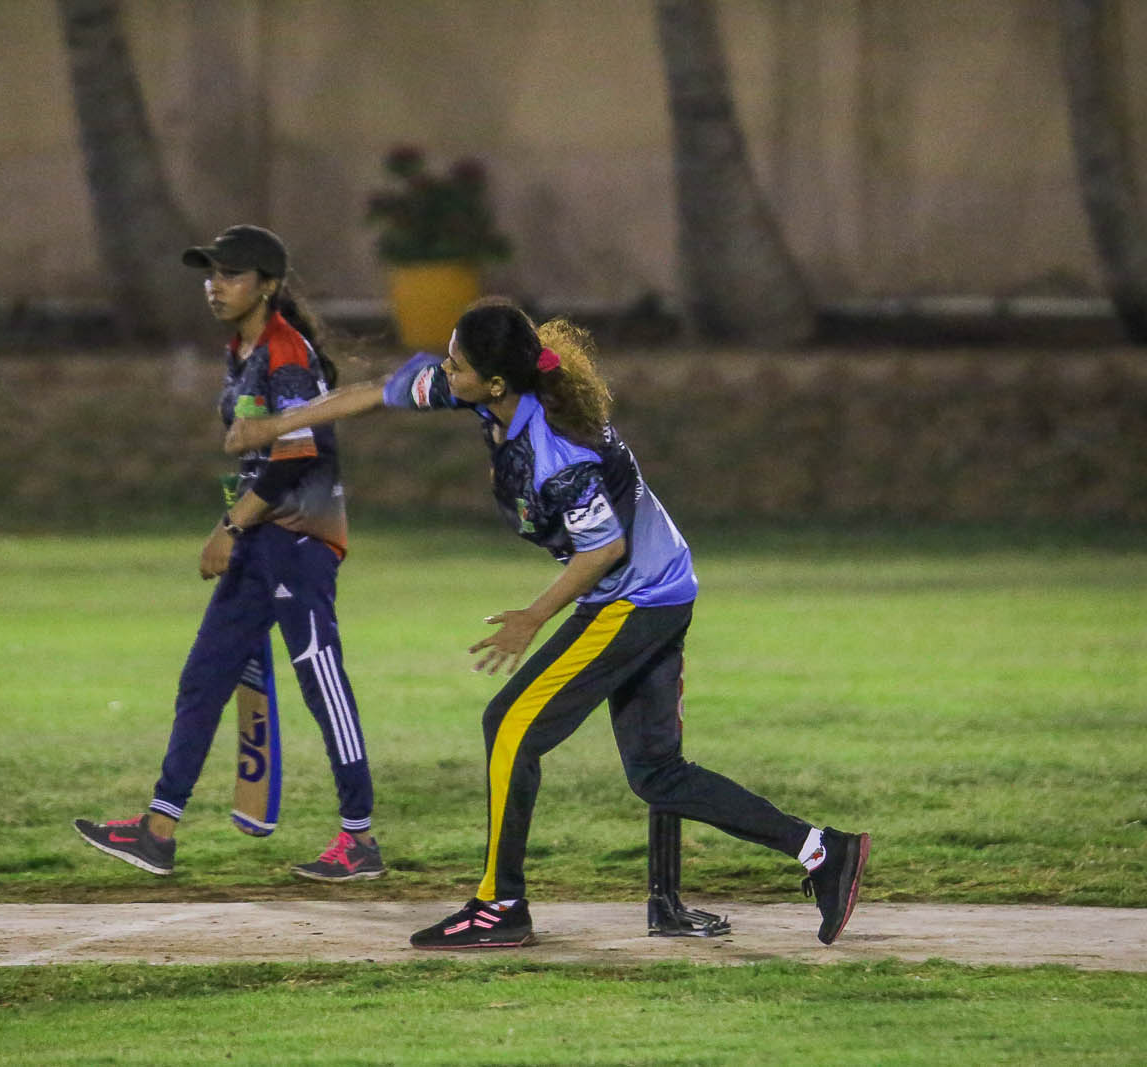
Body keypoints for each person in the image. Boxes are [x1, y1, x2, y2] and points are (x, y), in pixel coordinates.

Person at [224, 297, 868, 947]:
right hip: (658, 587)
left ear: (495, 383)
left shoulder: (556, 449)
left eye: (456, 364)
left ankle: (500, 905)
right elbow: (372, 393)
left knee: (508, 726)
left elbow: (604, 549)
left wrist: (533, 617)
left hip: (636, 598)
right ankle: (823, 850)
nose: (444, 371)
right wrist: (277, 425)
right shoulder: (490, 396)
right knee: (656, 772)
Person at [74, 224, 384, 882]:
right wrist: (240, 525)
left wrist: (230, 527)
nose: (215, 285)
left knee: (320, 679)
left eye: (232, 274)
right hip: (260, 540)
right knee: (204, 677)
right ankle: (158, 830)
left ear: (268, 285)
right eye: (211, 273)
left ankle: (359, 837)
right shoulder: (242, 349)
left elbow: (297, 456)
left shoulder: (285, 353)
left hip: (298, 542)